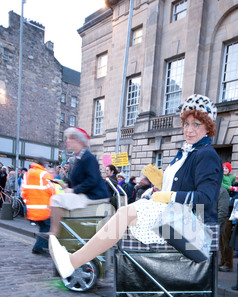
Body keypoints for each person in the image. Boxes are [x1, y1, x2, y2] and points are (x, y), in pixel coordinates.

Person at [48, 93, 223, 279]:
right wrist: (162, 185)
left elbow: (206, 198)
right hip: (177, 220)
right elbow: (182, 188)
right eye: (186, 123)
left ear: (208, 126)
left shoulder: (206, 154)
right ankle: (79, 259)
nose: (189, 129)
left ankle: (74, 261)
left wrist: (168, 196)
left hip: (192, 228)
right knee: (119, 220)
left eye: (197, 124)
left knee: (122, 216)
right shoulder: (188, 151)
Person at [45, 127, 110, 236]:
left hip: (95, 196)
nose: (67, 141)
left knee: (56, 200)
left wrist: (74, 190)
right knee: (54, 201)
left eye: (70, 138)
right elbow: (80, 179)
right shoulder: (79, 158)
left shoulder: (88, 158)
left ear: (79, 141)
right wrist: (66, 185)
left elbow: (92, 180)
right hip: (88, 194)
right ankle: (59, 232)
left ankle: (54, 232)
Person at [21, 158, 56, 255]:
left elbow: (23, 192)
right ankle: (39, 247)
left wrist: (27, 203)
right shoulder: (45, 174)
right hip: (44, 207)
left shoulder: (27, 174)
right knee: (47, 227)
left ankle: (40, 246)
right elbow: (52, 191)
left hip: (32, 208)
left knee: (43, 227)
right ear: (43, 165)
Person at [219, 169, 238, 272]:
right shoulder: (232, 187)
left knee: (227, 242)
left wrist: (225, 200)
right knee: (222, 242)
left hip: (230, 217)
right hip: (225, 215)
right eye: (237, 174)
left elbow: (234, 202)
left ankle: (228, 264)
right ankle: (223, 261)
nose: (237, 176)